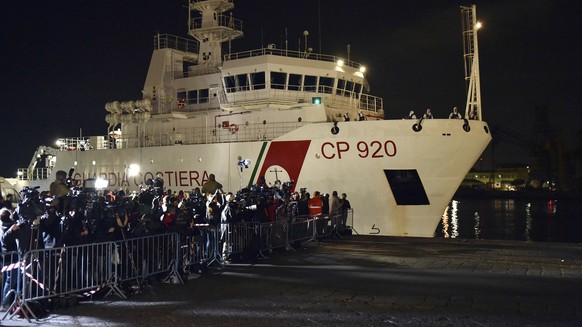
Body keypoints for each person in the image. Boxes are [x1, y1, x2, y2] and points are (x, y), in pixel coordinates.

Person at [1, 208, 18, 311]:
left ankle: (9, 302)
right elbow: (5, 240)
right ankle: (5, 303)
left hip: (9, 257)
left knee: (11, 280)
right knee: (10, 280)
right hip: (10, 257)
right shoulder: (8, 228)